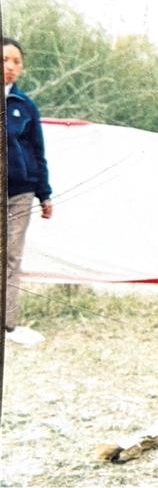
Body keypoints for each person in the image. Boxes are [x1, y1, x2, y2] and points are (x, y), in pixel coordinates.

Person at [4, 37, 52, 347]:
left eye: (16, 61)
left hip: (19, 193)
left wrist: (44, 194)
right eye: (3, 60)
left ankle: (7, 325)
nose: (10, 66)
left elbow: (37, 152)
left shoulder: (26, 106)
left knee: (11, 256)